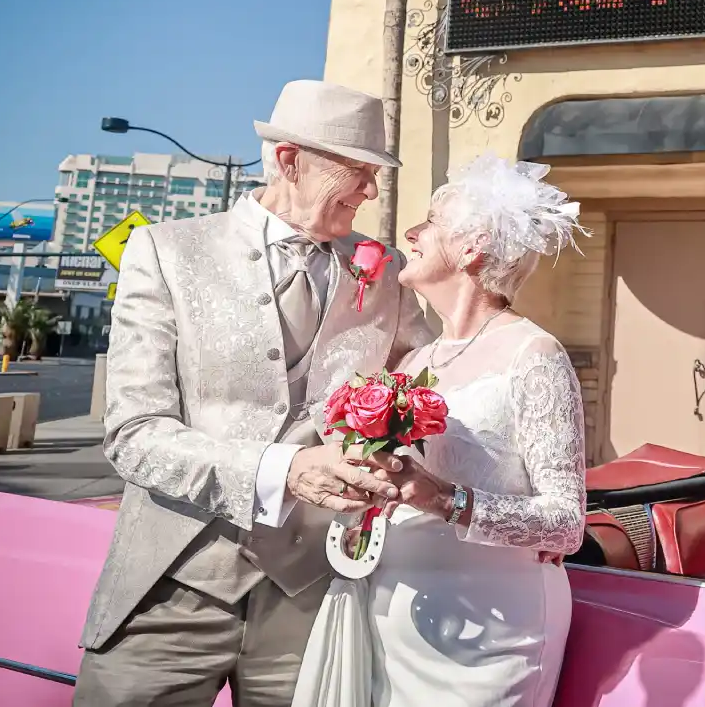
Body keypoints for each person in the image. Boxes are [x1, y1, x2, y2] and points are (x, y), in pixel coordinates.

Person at [75, 80, 436, 706]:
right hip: (174, 581)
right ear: (289, 160)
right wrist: (285, 469)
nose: (371, 191)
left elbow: (439, 382)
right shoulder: (167, 251)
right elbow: (133, 436)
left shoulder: (387, 275)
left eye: (375, 174)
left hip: (315, 590)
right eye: (355, 170)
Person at [291, 155, 588, 707]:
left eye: (429, 221)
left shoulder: (535, 354)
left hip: (489, 633)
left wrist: (440, 497)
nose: (411, 233)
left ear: (472, 248)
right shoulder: (415, 360)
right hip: (392, 616)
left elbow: (566, 526)